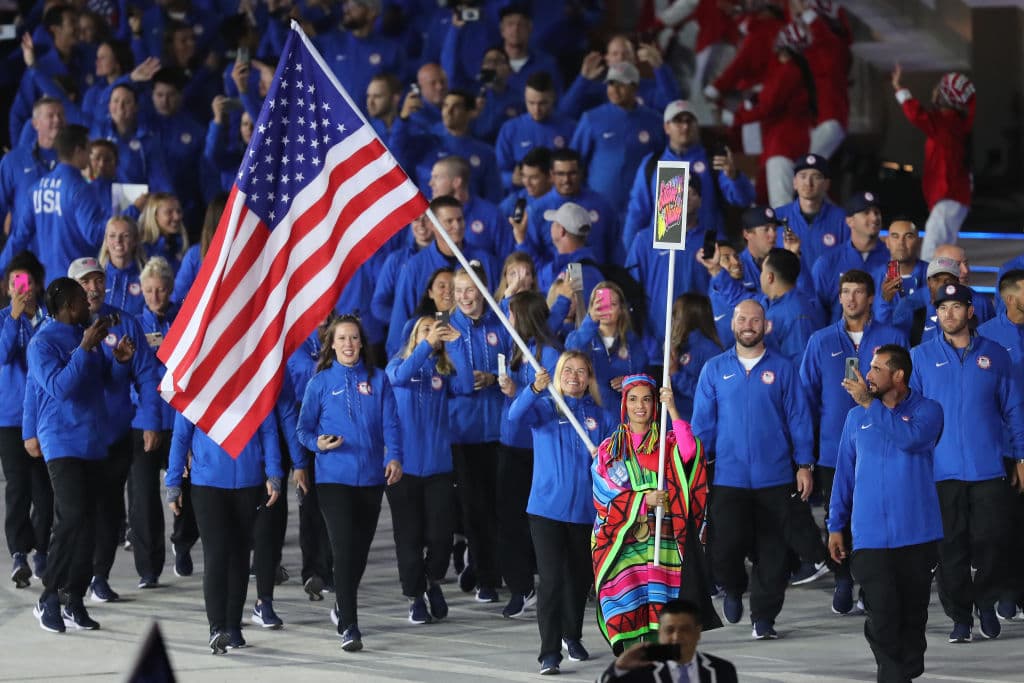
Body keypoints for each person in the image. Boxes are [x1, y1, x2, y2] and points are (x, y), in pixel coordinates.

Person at [691, 299, 816, 639]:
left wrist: (804, 464)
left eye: (755, 320)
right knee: (725, 548)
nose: (748, 325)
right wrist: (696, 466)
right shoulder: (714, 369)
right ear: (732, 324)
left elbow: (799, 419)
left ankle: (764, 617)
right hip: (728, 478)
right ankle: (732, 587)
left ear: (766, 326)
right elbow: (702, 424)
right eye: (742, 319)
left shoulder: (784, 369)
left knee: (773, 553)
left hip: (775, 478)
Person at [909, 282, 1024, 642]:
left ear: (970, 311)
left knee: (993, 541)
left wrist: (1021, 456)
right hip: (941, 472)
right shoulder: (920, 357)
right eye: (942, 308)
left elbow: (1014, 408)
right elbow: (911, 414)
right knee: (950, 549)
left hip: (988, 468)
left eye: (956, 307)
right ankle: (961, 617)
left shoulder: (995, 355)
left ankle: (985, 602)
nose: (949, 314)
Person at [829, 344, 944, 682]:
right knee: (881, 616)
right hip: (870, 538)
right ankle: (893, 676)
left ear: (898, 375)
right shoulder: (856, 418)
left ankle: (903, 670)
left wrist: (869, 404)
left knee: (912, 617)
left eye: (876, 369)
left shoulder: (928, 411)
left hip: (917, 535)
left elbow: (909, 439)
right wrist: (835, 524)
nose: (867, 375)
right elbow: (844, 473)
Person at [28, 277, 132, 633]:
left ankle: (74, 597)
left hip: (93, 441)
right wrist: (84, 349)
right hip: (61, 441)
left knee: (92, 523)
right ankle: (48, 597)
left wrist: (119, 362)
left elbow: (107, 383)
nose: (89, 303)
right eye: (81, 299)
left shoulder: (84, 335)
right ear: (67, 306)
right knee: (72, 517)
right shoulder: (42, 342)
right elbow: (59, 388)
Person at [800, 269, 907, 614]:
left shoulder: (892, 337)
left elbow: (907, 388)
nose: (851, 298)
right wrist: (805, 456)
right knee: (838, 516)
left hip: (883, 445)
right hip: (834, 449)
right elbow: (806, 399)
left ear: (871, 297)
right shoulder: (820, 341)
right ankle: (843, 578)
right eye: (845, 291)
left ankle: (870, 583)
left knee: (878, 515)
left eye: (858, 291)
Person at [296, 314, 403, 652]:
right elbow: (303, 430)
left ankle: (342, 603)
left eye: (354, 338)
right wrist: (317, 444)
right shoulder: (320, 382)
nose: (348, 344)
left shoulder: (379, 379)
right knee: (343, 549)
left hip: (370, 479)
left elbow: (391, 424)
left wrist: (394, 457)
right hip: (333, 480)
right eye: (341, 338)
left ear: (362, 343)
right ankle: (350, 626)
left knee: (358, 552)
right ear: (331, 344)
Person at [509, 351, 615, 675]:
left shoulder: (600, 416)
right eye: (568, 369)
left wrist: (605, 457)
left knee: (579, 580)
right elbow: (514, 415)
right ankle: (549, 652)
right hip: (546, 509)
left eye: (581, 371)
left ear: (589, 378)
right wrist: (534, 389)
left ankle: (572, 635)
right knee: (552, 579)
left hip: (585, 512)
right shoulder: (545, 408)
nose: (574, 376)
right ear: (558, 374)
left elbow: (615, 459)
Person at [592, 376, 715, 654]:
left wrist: (672, 408)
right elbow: (603, 493)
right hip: (625, 543)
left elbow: (690, 452)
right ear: (624, 404)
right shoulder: (610, 449)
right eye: (633, 399)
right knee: (627, 602)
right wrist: (641, 500)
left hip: (665, 537)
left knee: (661, 605)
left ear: (654, 404)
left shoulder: (668, 443)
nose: (640, 406)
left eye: (647, 399)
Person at [165, 412, 282, 653]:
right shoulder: (195, 387)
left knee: (239, 556)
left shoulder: (254, 387)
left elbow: (268, 429)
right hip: (207, 483)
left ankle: (233, 626)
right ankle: (217, 628)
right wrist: (173, 483)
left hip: (249, 481)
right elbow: (181, 434)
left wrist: (274, 472)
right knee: (216, 554)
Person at [385, 315, 472, 624]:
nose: (433, 333)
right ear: (413, 337)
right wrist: (426, 345)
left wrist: (456, 344)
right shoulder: (396, 365)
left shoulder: (441, 370)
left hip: (438, 468)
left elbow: (466, 385)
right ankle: (415, 596)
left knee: (440, 536)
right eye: (425, 330)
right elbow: (400, 377)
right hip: (402, 469)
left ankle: (432, 581)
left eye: (435, 330)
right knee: (408, 538)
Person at [495, 292, 561, 610]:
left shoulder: (550, 353)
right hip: (510, 443)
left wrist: (519, 391)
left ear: (523, 317)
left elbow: (556, 400)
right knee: (509, 519)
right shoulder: (513, 348)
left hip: (539, 448)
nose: (507, 320)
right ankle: (520, 587)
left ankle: (548, 581)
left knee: (537, 519)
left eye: (511, 314)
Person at [622, 99, 754, 247]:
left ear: (697, 125)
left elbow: (744, 200)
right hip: (664, 250)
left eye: (689, 121)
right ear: (666, 127)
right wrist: (631, 251)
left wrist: (734, 176)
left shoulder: (713, 160)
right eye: (678, 121)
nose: (685, 127)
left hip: (708, 248)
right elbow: (637, 211)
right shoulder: (652, 163)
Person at [0, 125, 107, 284]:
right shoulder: (80, 189)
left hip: (48, 281)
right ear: (78, 150)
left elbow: (19, 237)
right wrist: (122, 217)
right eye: (88, 149)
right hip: (78, 282)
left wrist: (1, 269)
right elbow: (94, 235)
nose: (90, 154)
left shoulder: (37, 188)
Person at [1, 253, 52, 588]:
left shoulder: (51, 319)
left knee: (45, 492)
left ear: (38, 285)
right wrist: (13, 319)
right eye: (15, 283)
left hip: (45, 417)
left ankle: (42, 551)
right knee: (18, 488)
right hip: (10, 418)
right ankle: (19, 553)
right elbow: (3, 355)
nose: (22, 289)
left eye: (27, 282)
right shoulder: (3, 319)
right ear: (7, 288)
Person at [977, 270, 1024, 620]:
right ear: (1010, 299)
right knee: (1005, 525)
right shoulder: (986, 337)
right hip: (1006, 449)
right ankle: (1007, 593)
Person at [891, 66, 974, 260]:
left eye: (939, 89)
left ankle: (928, 281)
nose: (934, 92)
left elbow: (917, 114)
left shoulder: (945, 122)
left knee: (931, 252)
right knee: (944, 252)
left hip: (949, 196)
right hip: (955, 197)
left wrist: (899, 88)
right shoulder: (955, 124)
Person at [730, 23, 817, 208]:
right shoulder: (794, 70)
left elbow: (767, 106)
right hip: (784, 143)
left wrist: (739, 117)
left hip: (782, 144)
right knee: (766, 203)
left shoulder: (788, 71)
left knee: (781, 206)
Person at [570, 61, 665, 216]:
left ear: (635, 87)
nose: (614, 89)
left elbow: (669, 166)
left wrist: (669, 220)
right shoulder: (591, 118)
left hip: (644, 209)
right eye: (611, 84)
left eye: (621, 84)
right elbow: (573, 162)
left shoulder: (655, 121)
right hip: (598, 209)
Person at [565, 283, 649, 424]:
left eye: (613, 304)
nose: (606, 309)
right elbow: (571, 350)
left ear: (621, 309)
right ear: (592, 308)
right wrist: (591, 321)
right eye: (601, 304)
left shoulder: (634, 343)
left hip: (623, 421)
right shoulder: (580, 338)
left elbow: (646, 381)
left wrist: (631, 383)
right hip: (589, 421)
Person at [597, 599, 738, 683]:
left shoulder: (722, 670)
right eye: (670, 630)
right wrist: (617, 668)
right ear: (660, 633)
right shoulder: (641, 673)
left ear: (697, 632)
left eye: (684, 629)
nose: (676, 637)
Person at [812, 191, 890, 322]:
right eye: (866, 213)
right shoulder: (828, 262)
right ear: (850, 221)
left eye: (877, 212)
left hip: (882, 334)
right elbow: (816, 312)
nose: (874, 218)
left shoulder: (893, 260)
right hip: (839, 334)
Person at [495, 72, 576, 191]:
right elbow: (497, 173)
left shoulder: (570, 128)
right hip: (522, 194)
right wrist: (512, 178)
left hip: (558, 195)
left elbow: (578, 169)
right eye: (531, 103)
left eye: (542, 103)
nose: (536, 109)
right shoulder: (510, 129)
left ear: (553, 98)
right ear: (525, 98)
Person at [771, 153, 849, 272]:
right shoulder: (777, 216)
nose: (808, 183)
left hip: (830, 284)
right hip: (790, 284)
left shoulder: (842, 219)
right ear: (794, 183)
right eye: (803, 176)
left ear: (826, 184)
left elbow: (849, 261)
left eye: (816, 177)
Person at [761, 247, 825, 361]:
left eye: (762, 271)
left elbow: (800, 363)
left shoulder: (797, 315)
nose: (760, 276)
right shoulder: (776, 303)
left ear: (770, 277)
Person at [669, 293, 724, 421]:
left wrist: (676, 374)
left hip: (694, 423)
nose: (673, 320)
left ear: (689, 317)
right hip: (674, 420)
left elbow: (710, 394)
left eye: (676, 315)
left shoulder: (711, 352)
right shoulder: (680, 346)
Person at [98, 216, 146, 316]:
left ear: (135, 240)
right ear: (106, 241)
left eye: (125, 236)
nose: (118, 240)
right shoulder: (95, 279)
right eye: (112, 236)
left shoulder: (147, 278)